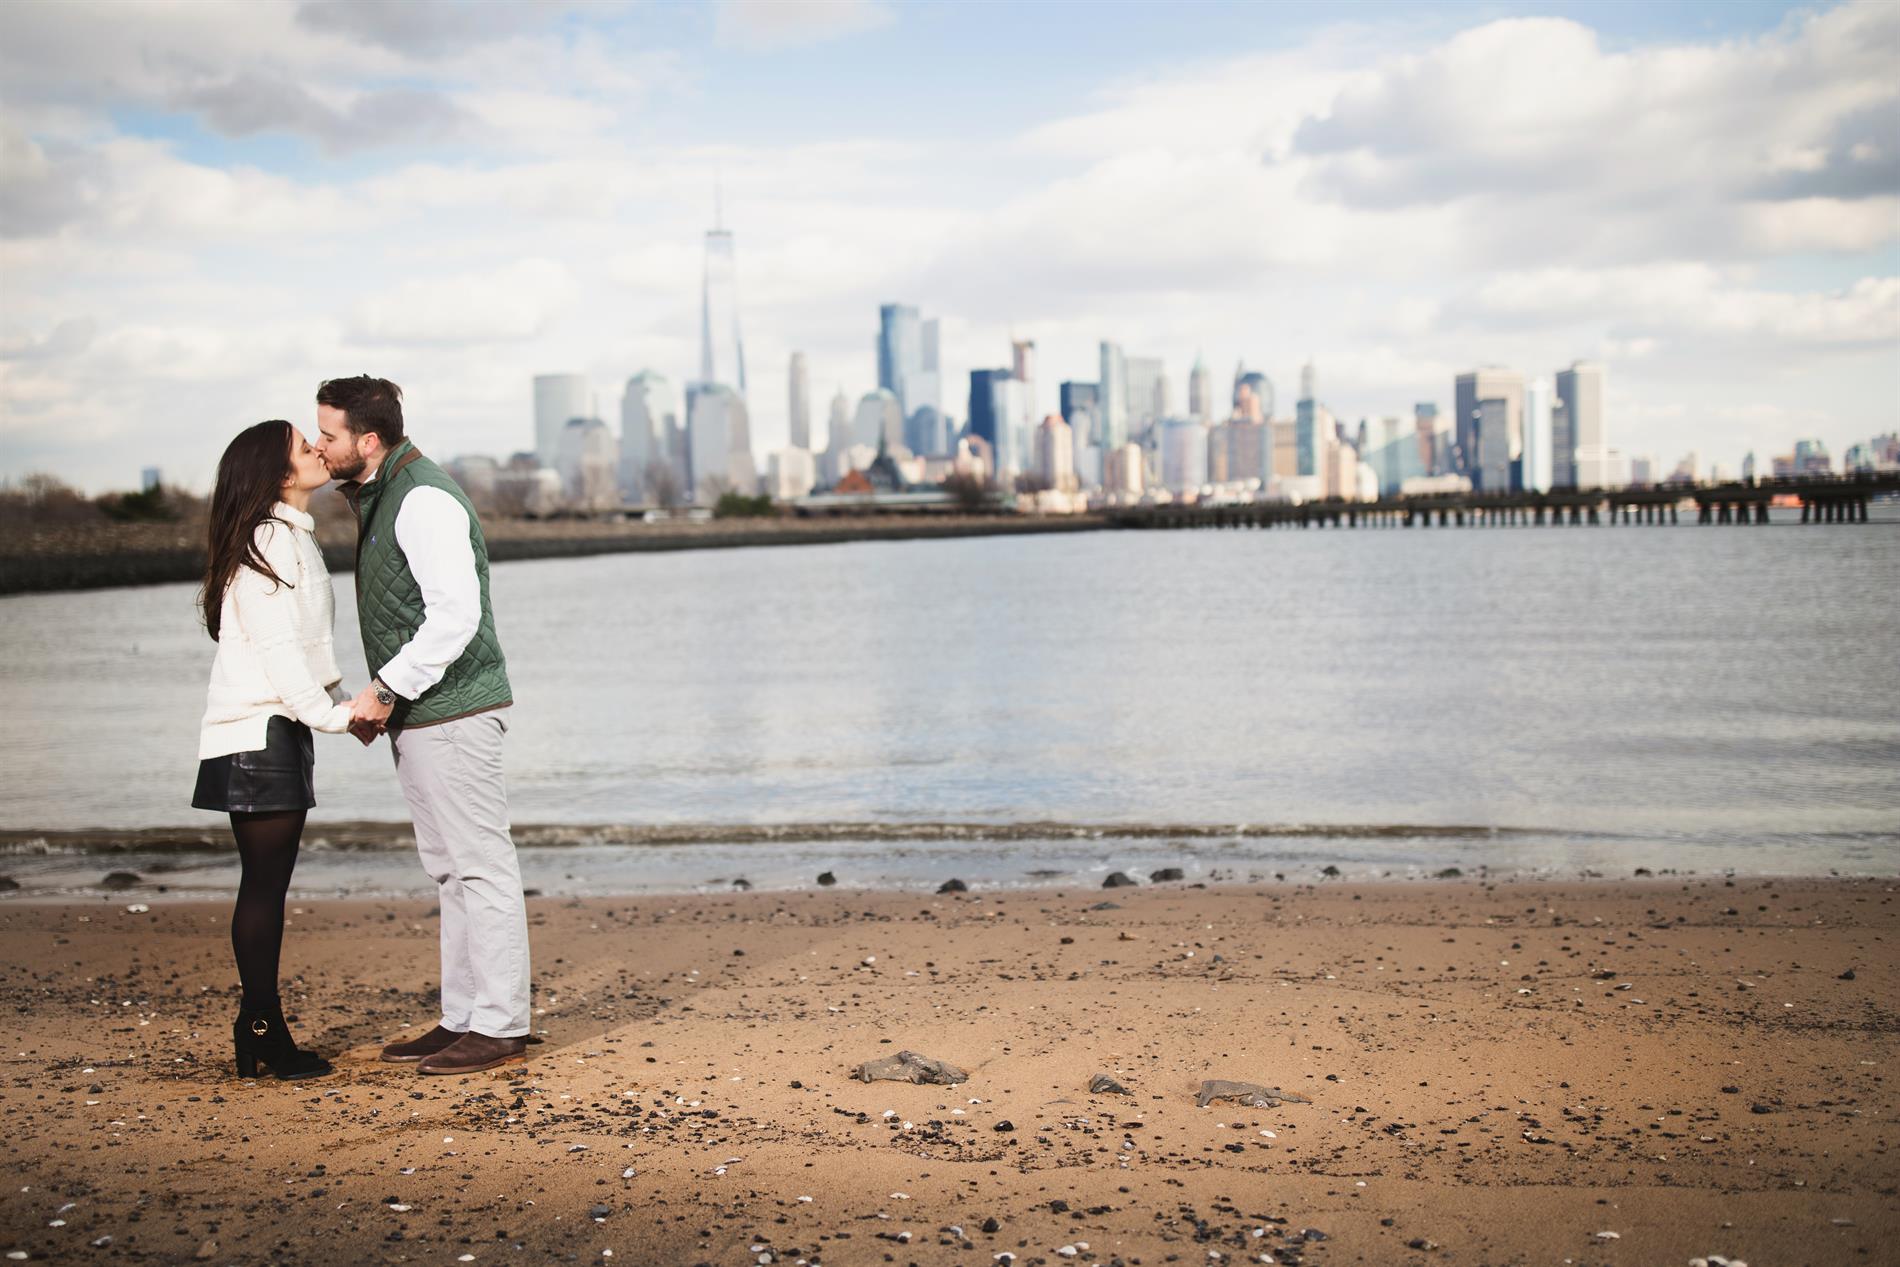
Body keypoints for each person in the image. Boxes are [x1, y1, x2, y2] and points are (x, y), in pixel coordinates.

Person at [313, 375, 532, 1075]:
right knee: (450, 870)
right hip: (426, 713)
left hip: (455, 711)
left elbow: (455, 615)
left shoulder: (422, 498)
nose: (319, 445)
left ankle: (500, 1024)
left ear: (368, 440)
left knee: (480, 866)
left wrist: (386, 689)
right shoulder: (385, 495)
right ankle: (464, 1017)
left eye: (328, 434)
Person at [193, 420, 349, 1080]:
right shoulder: (268, 539)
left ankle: (258, 1026)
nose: (319, 450)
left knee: (267, 885)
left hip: (276, 730)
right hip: (258, 734)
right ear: (281, 473)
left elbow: (309, 649)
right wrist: (334, 717)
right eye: (305, 447)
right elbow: (281, 653)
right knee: (263, 887)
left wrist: (345, 704)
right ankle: (262, 1029)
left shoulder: (290, 536)